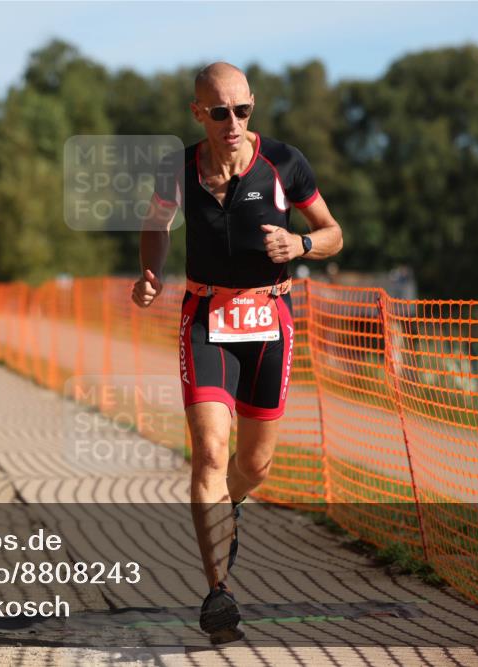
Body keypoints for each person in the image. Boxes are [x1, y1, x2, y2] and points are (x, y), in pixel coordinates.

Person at [132, 62, 343, 643]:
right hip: (205, 317)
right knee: (208, 453)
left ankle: (232, 502)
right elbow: (156, 222)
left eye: (242, 110)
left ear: (252, 106)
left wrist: (300, 243)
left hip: (269, 318)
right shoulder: (178, 168)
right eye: (219, 112)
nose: (233, 123)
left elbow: (332, 232)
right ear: (197, 112)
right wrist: (151, 270)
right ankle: (219, 591)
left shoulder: (283, 162)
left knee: (252, 466)